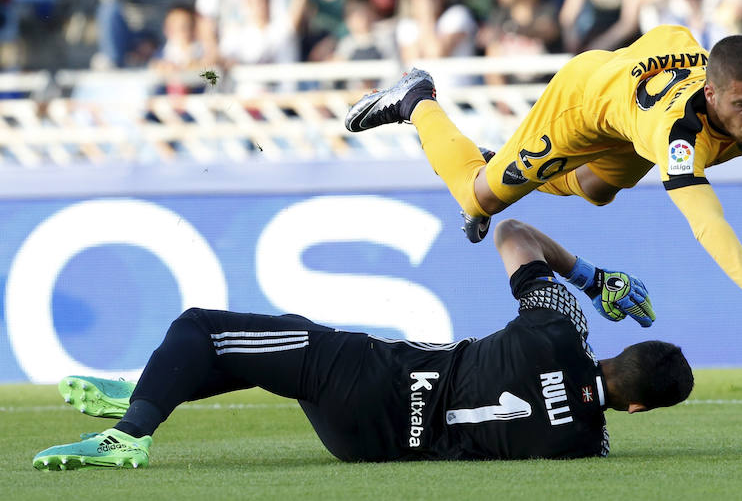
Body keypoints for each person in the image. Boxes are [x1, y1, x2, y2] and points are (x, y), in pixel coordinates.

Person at [32, 219, 687, 469]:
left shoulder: (563, 326)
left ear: (618, 353)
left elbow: (513, 233)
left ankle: (132, 431)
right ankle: (156, 388)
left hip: (371, 376)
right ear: (636, 410)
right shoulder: (585, 448)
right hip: (372, 448)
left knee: (202, 327)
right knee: (259, 357)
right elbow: (579, 419)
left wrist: (591, 278)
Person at [344, 25, 742, 310]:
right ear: (711, 93)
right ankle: (416, 98)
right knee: (477, 198)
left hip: (646, 81)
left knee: (595, 189)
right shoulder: (678, 137)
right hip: (588, 102)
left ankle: (497, 162)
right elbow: (705, 218)